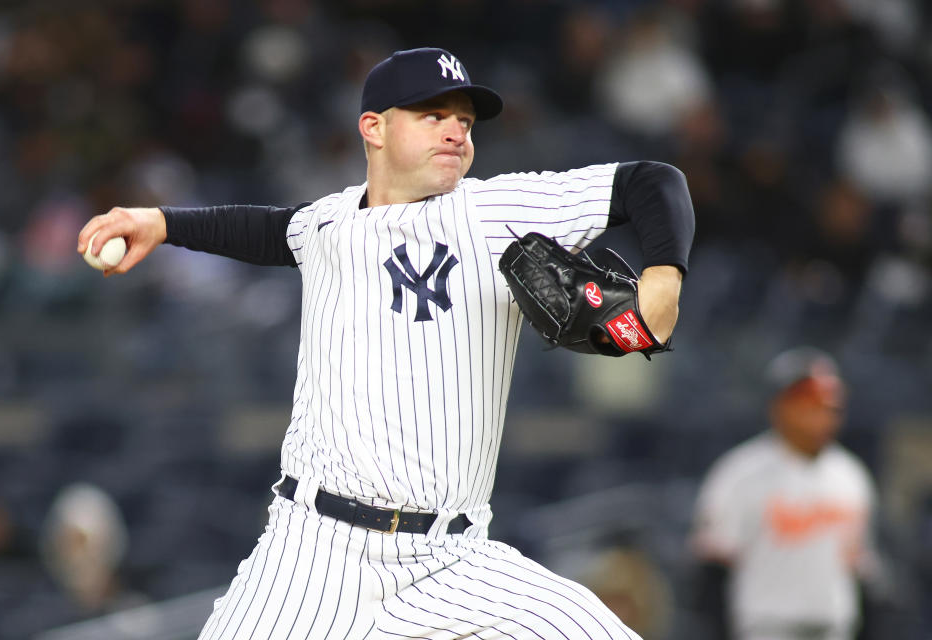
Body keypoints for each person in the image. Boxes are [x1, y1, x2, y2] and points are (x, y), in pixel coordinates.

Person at [77, 47, 694, 639]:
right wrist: (161, 223)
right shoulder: (328, 224)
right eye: (434, 116)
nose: (455, 131)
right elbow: (266, 230)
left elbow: (653, 182)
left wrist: (664, 276)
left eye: (464, 121)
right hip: (310, 552)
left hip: (451, 560)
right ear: (373, 127)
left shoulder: (499, 210)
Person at [689, 347, 879, 640]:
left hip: (835, 625)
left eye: (828, 407)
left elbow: (859, 570)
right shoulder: (740, 473)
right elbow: (712, 571)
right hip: (767, 626)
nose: (821, 416)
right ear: (779, 406)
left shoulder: (851, 476)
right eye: (807, 404)